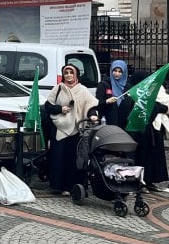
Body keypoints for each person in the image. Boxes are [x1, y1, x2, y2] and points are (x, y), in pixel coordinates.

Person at [43, 64, 99, 195]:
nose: (68, 75)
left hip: (77, 130)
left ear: (76, 75)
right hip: (60, 129)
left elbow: (91, 105)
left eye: (71, 73)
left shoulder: (83, 90)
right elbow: (48, 106)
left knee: (75, 160)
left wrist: (92, 115)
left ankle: (74, 186)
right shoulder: (58, 89)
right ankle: (59, 186)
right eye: (66, 73)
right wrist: (60, 109)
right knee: (59, 159)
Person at [126, 70, 169, 191]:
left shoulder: (147, 90)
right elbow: (149, 106)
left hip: (148, 129)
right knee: (139, 157)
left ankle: (149, 180)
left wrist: (162, 107)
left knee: (150, 156)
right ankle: (138, 182)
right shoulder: (132, 92)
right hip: (135, 130)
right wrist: (164, 108)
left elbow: (153, 104)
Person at [96, 60, 131, 127]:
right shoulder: (104, 85)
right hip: (108, 125)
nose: (117, 74)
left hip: (125, 127)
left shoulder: (128, 87)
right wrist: (106, 102)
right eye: (115, 71)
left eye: (120, 71)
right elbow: (97, 105)